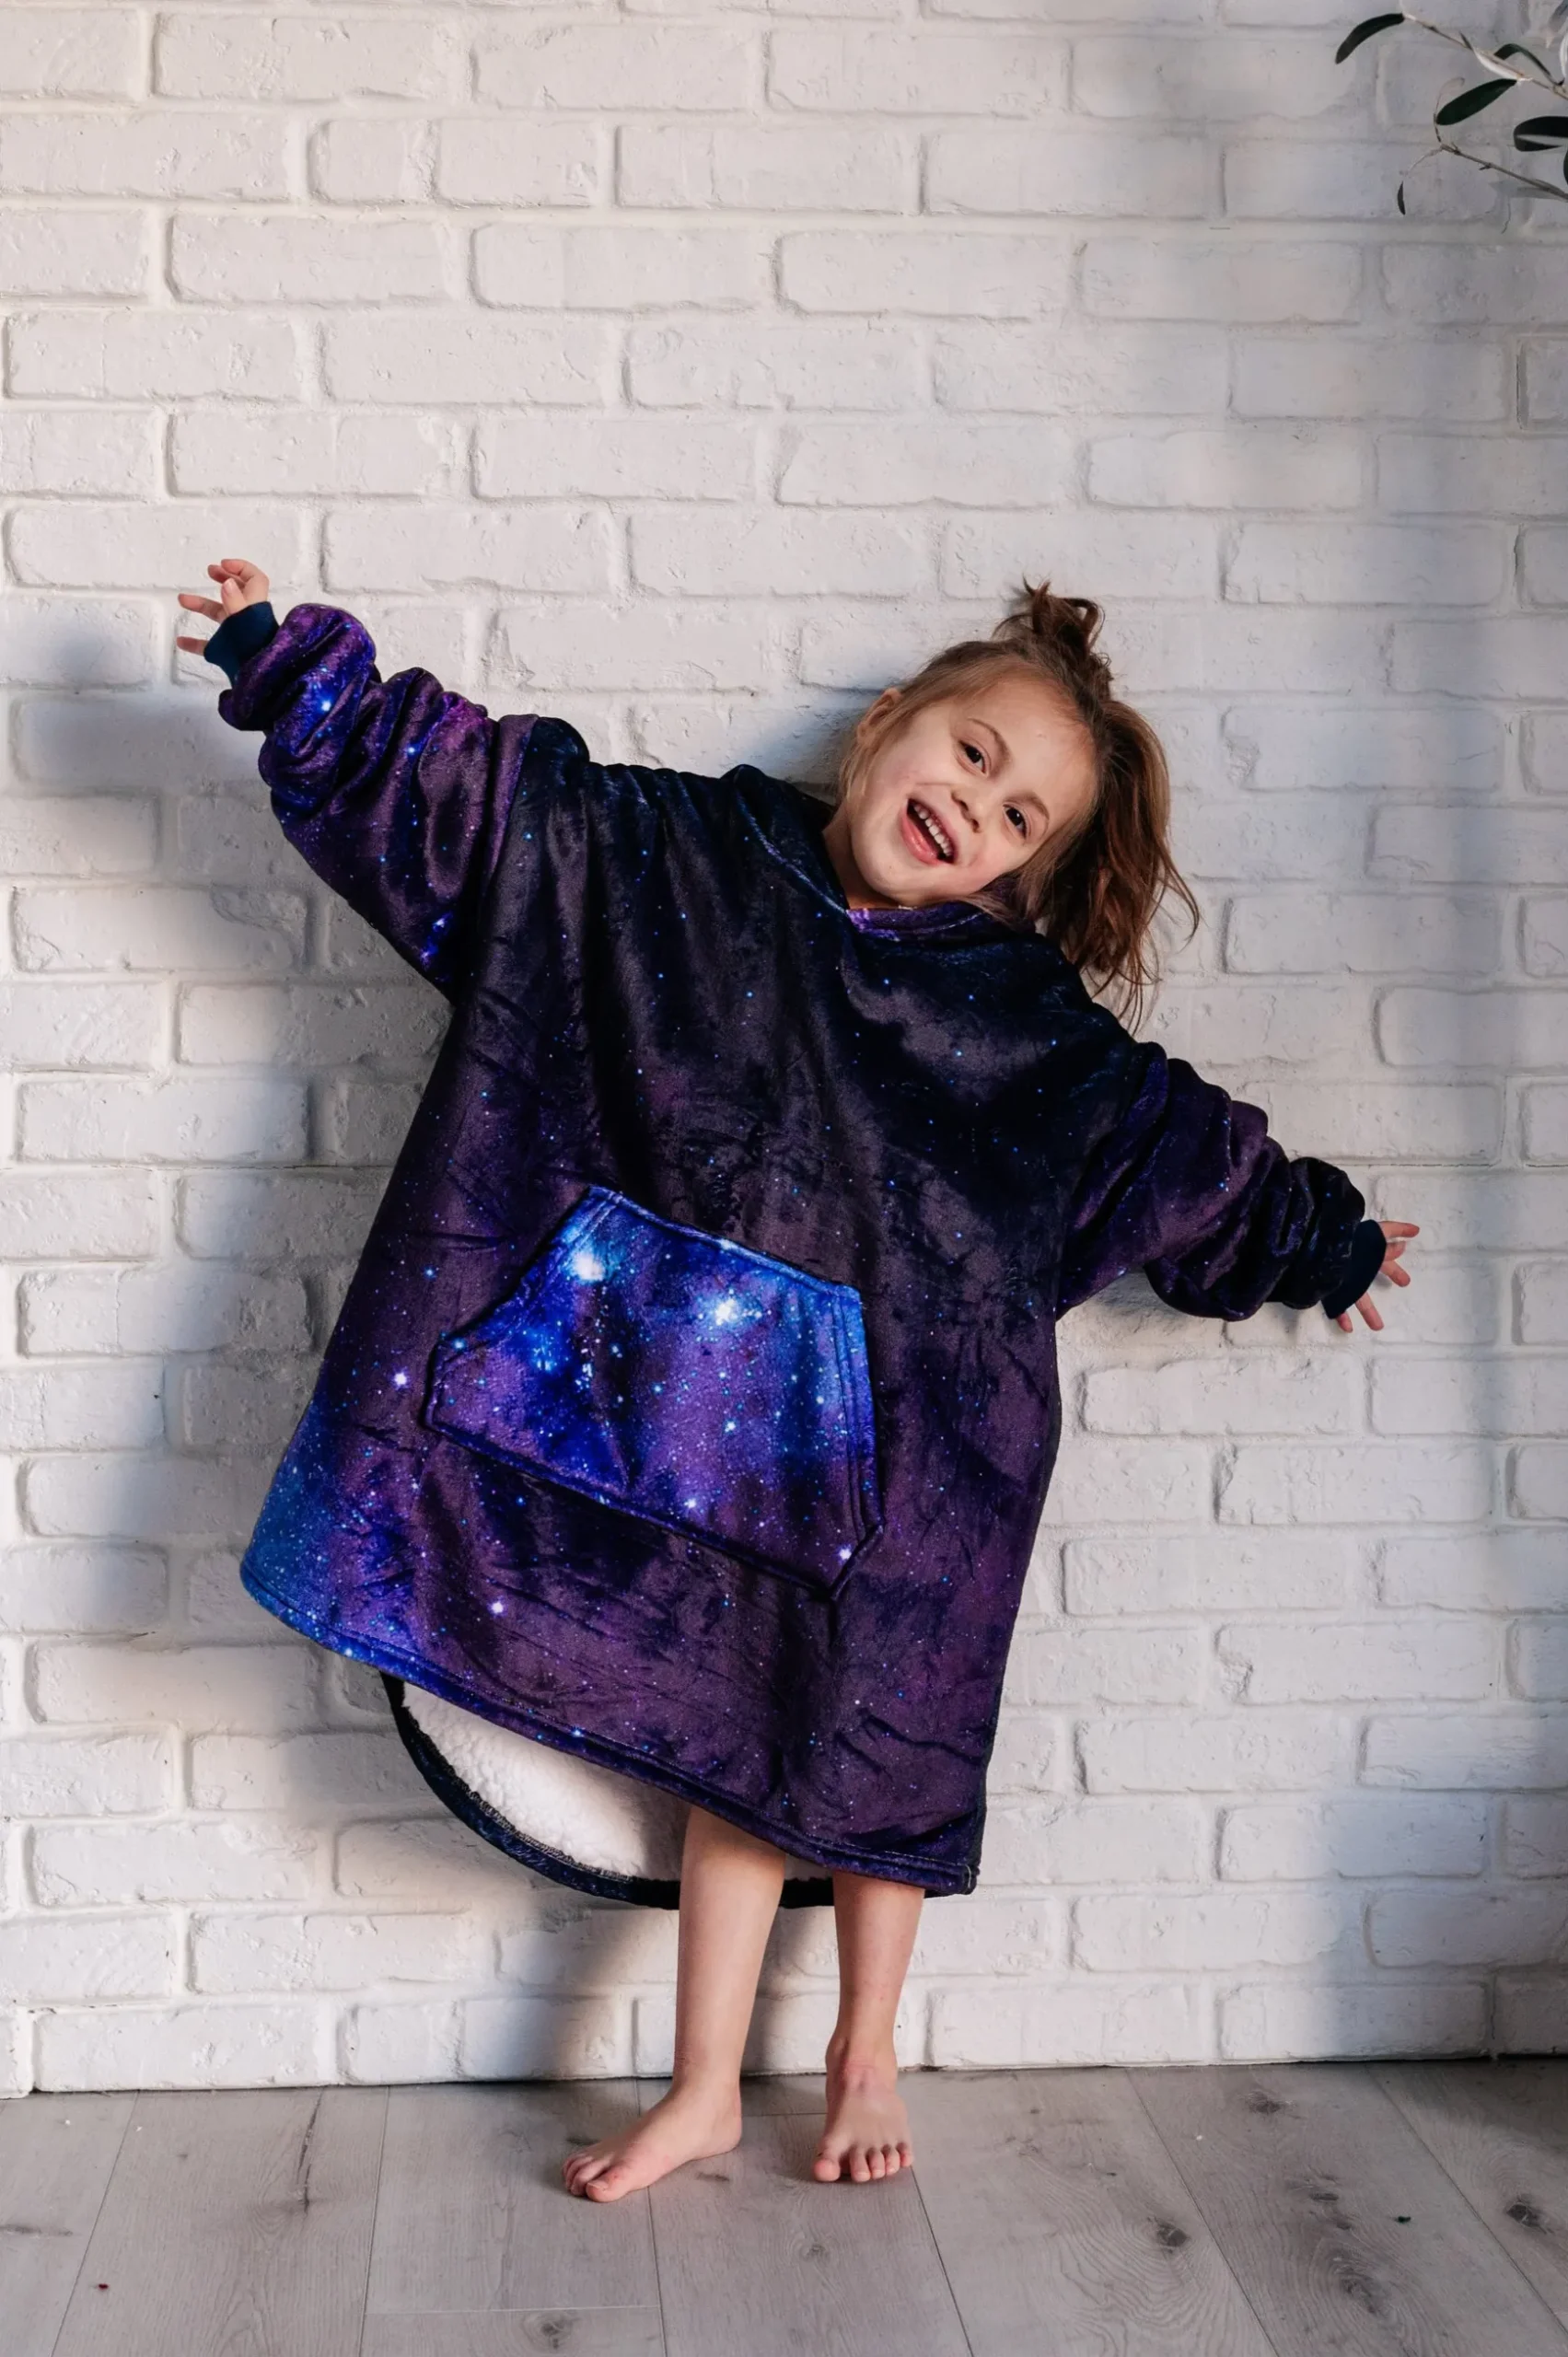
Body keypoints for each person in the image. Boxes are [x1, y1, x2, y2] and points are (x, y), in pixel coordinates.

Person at [178, 557, 1416, 2200]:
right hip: (651, 1421)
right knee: (739, 1762)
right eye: (971, 753)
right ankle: (703, 2087)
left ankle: (864, 2049)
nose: (976, 809)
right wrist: (298, 678)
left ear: (1025, 870)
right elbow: (485, 812)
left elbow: (1173, 1154)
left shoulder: (1025, 1032)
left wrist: (1321, 1238)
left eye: (1022, 816)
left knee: (883, 1731)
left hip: (882, 1487)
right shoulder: (658, 858)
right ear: (888, 724)